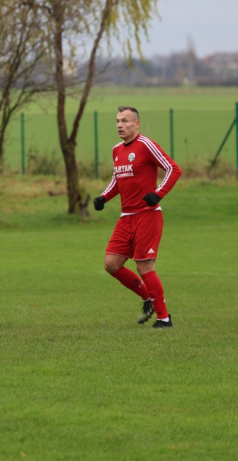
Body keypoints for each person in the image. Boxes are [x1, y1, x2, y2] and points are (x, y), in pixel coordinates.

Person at [93, 106, 182, 329]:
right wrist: (104, 197)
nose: (120, 125)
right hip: (126, 217)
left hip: (147, 215)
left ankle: (164, 318)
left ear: (136, 123)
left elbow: (173, 169)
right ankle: (147, 298)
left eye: (125, 121)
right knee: (111, 264)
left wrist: (158, 193)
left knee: (145, 267)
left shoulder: (146, 145)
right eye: (117, 121)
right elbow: (117, 179)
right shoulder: (116, 150)